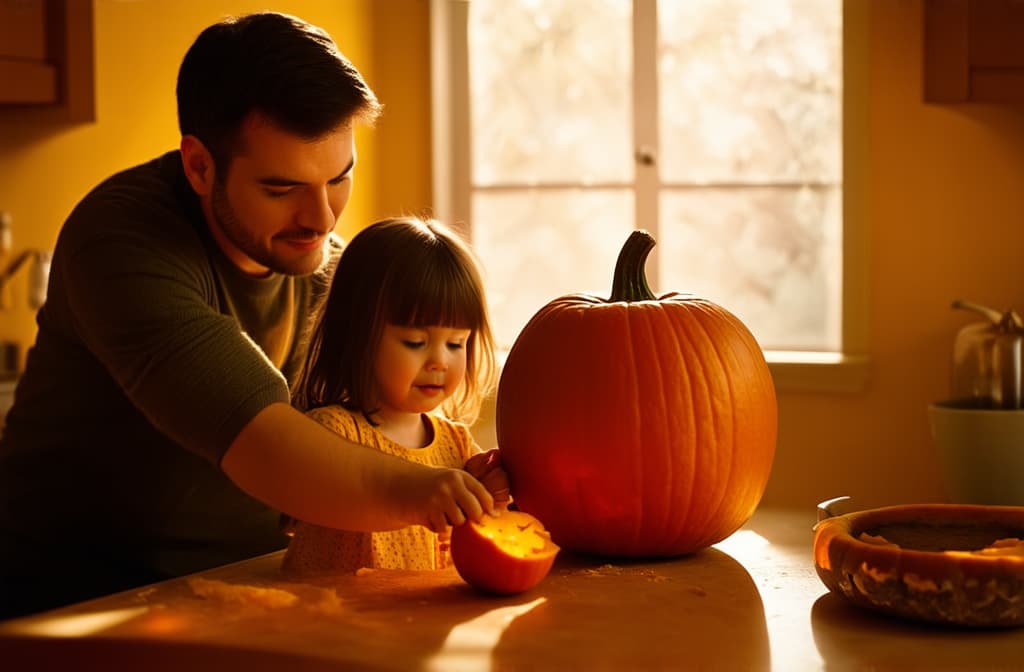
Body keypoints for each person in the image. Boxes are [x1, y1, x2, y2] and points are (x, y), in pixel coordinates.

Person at [0, 12, 504, 620]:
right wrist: (428, 494)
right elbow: (265, 445)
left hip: (248, 587)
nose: (321, 219)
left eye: (339, 178)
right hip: (78, 605)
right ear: (199, 166)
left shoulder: (324, 260)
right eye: (280, 188)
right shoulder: (120, 243)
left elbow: (375, 420)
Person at [281, 217, 508, 576]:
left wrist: (489, 494)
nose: (439, 361)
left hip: (417, 624)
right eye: (415, 342)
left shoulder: (456, 444)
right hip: (332, 622)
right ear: (357, 335)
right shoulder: (330, 434)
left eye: (456, 344)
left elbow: (486, 534)